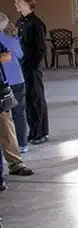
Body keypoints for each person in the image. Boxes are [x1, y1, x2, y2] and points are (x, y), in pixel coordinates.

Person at [13, 0, 47, 145]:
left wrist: (33, 66)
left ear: (28, 3)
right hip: (22, 67)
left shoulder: (36, 23)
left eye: (19, 1)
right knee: (27, 101)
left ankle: (41, 132)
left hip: (32, 68)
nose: (16, 4)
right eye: (15, 1)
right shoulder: (19, 22)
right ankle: (32, 132)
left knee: (37, 99)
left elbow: (40, 49)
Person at [0, 14, 29, 154]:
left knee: (4, 117)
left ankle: (9, 146)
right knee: (19, 112)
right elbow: (20, 55)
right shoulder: (11, 38)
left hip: (3, 82)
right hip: (17, 79)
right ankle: (22, 144)